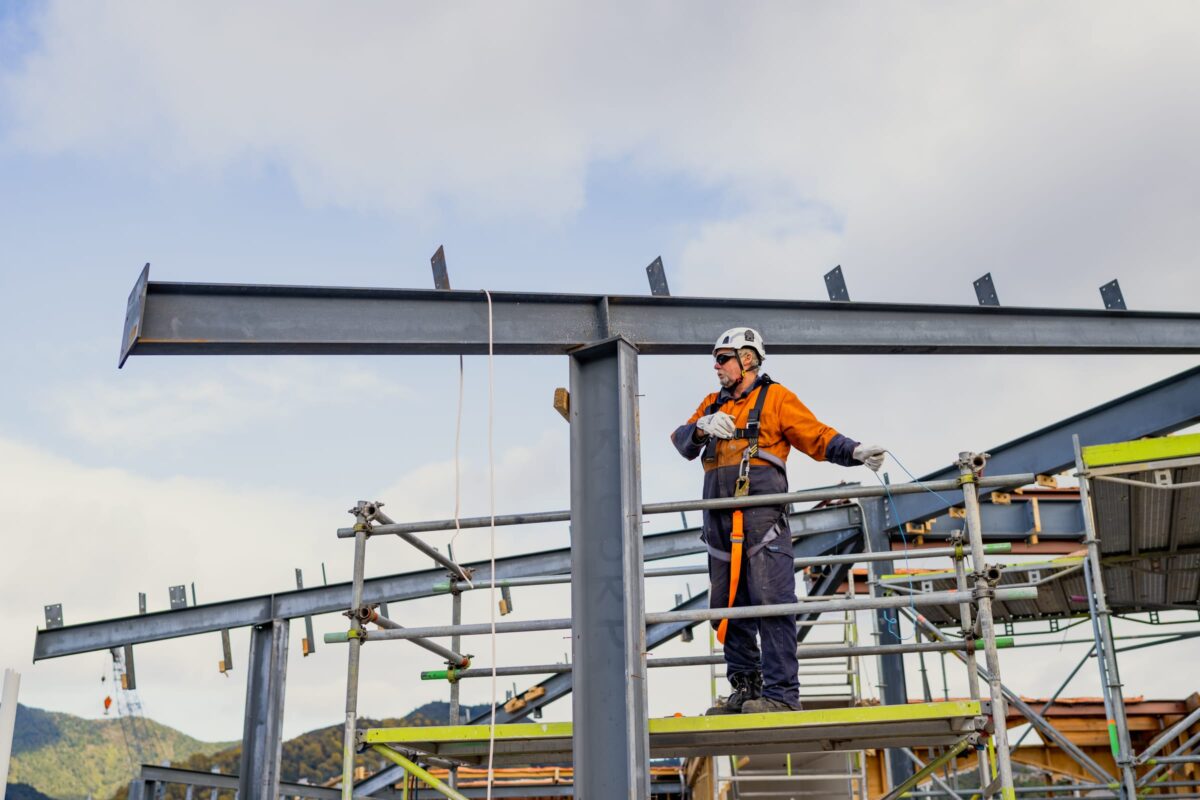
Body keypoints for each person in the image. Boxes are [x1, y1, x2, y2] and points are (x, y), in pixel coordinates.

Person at [671, 327, 886, 714]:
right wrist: (702, 427)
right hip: (718, 519)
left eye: (723, 358)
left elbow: (816, 436)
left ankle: (782, 696)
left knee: (772, 603)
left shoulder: (777, 399)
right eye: (716, 359)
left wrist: (854, 451)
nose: (716, 366)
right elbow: (681, 441)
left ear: (748, 359)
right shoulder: (711, 403)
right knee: (727, 607)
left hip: (760, 518)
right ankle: (746, 689)